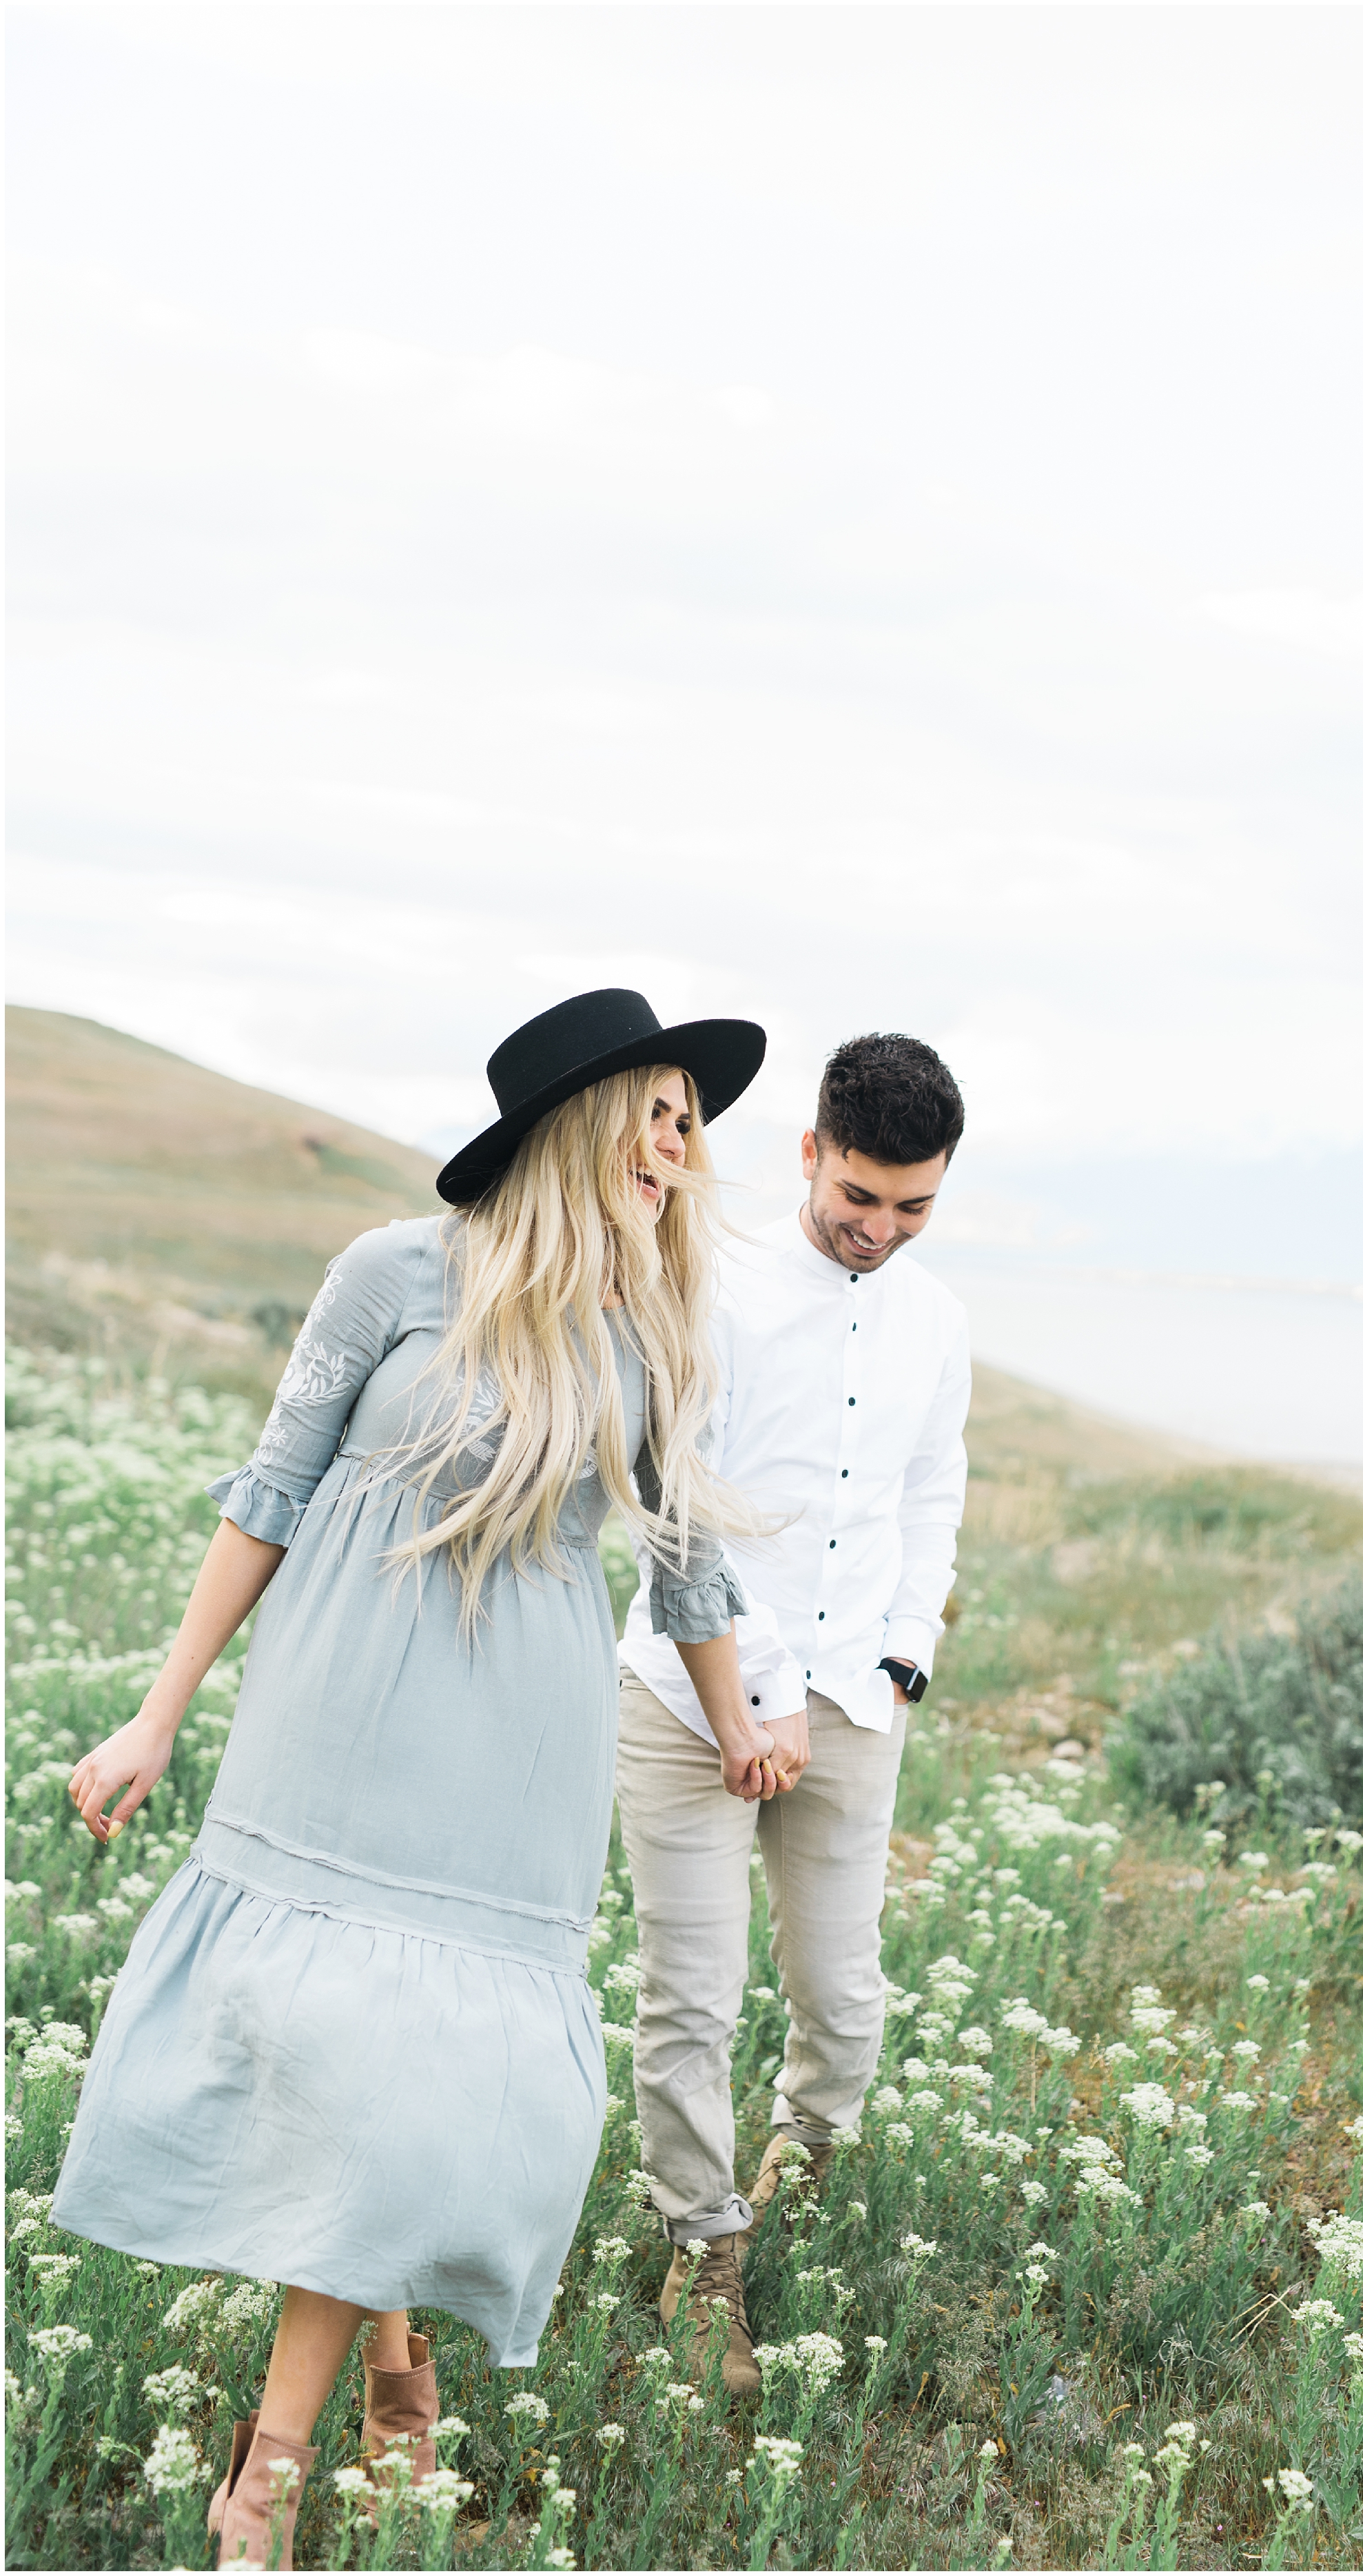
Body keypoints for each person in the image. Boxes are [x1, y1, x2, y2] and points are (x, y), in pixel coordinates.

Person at [53, 988, 788, 2569]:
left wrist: (737, 1721)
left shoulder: (657, 1333)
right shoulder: (393, 1271)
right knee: (338, 2058)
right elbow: (269, 1493)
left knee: (407, 2075)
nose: (678, 1148)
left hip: (514, 1738)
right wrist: (156, 1712)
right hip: (335, 1697)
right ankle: (384, 2352)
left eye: (690, 1124)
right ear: (577, 1125)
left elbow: (689, 1572)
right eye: (656, 1113)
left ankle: (269, 2469)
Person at [617, 1030, 970, 2393]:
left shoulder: (936, 1319)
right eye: (858, 1197)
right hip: (685, 1697)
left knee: (844, 2001)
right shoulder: (703, 1280)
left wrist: (897, 1664)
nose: (879, 1230)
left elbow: (929, 1494)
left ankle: (786, 2203)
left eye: (913, 1207)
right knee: (691, 2002)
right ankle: (703, 2267)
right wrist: (751, 1703)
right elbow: (670, 1499)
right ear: (808, 1151)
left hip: (851, 1706)